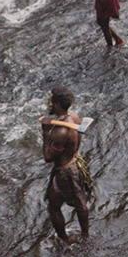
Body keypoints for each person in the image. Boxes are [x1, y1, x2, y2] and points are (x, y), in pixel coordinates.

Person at [40, 87, 91, 244]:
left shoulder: (60, 132)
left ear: (57, 104)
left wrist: (45, 133)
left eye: (50, 101)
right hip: (74, 161)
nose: (48, 104)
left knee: (67, 205)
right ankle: (83, 235)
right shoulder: (74, 117)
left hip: (66, 172)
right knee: (68, 202)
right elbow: (79, 135)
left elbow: (48, 157)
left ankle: (68, 239)